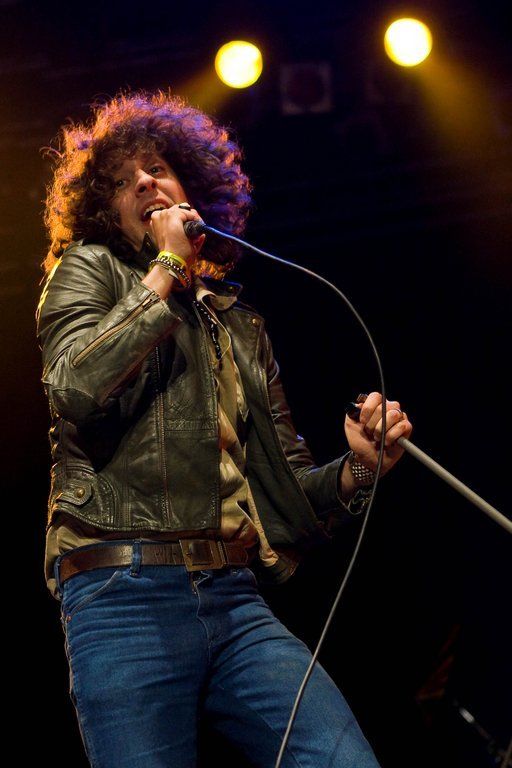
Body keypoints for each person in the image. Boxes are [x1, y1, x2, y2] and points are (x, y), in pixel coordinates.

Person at [37, 91, 413, 768]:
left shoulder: (237, 324)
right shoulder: (87, 270)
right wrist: (166, 269)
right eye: (122, 183)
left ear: (192, 192)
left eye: (157, 169)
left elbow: (288, 491)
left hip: (235, 598)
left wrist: (361, 466)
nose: (144, 183)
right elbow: (75, 387)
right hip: (123, 594)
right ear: (104, 212)